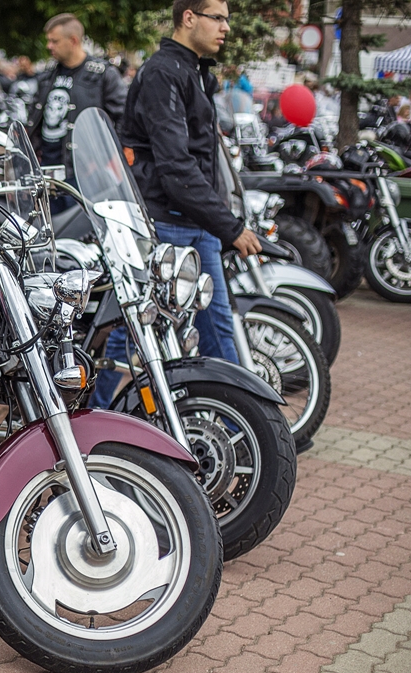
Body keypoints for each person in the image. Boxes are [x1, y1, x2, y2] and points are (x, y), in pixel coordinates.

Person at [92, 0, 261, 408]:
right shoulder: (163, 72)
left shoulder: (194, 71)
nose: (225, 28)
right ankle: (91, 415)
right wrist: (230, 226)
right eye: (217, 18)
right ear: (189, 18)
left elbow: (197, 161)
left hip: (193, 222)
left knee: (213, 330)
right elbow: (176, 167)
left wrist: (220, 219)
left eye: (226, 19)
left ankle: (248, 423)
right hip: (167, 224)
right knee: (131, 329)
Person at [24, 13, 125, 211]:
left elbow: (123, 120)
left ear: (73, 40)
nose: (49, 46)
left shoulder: (102, 74)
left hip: (84, 174)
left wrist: (103, 159)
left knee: (79, 227)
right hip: (47, 172)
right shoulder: (48, 75)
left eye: (54, 41)